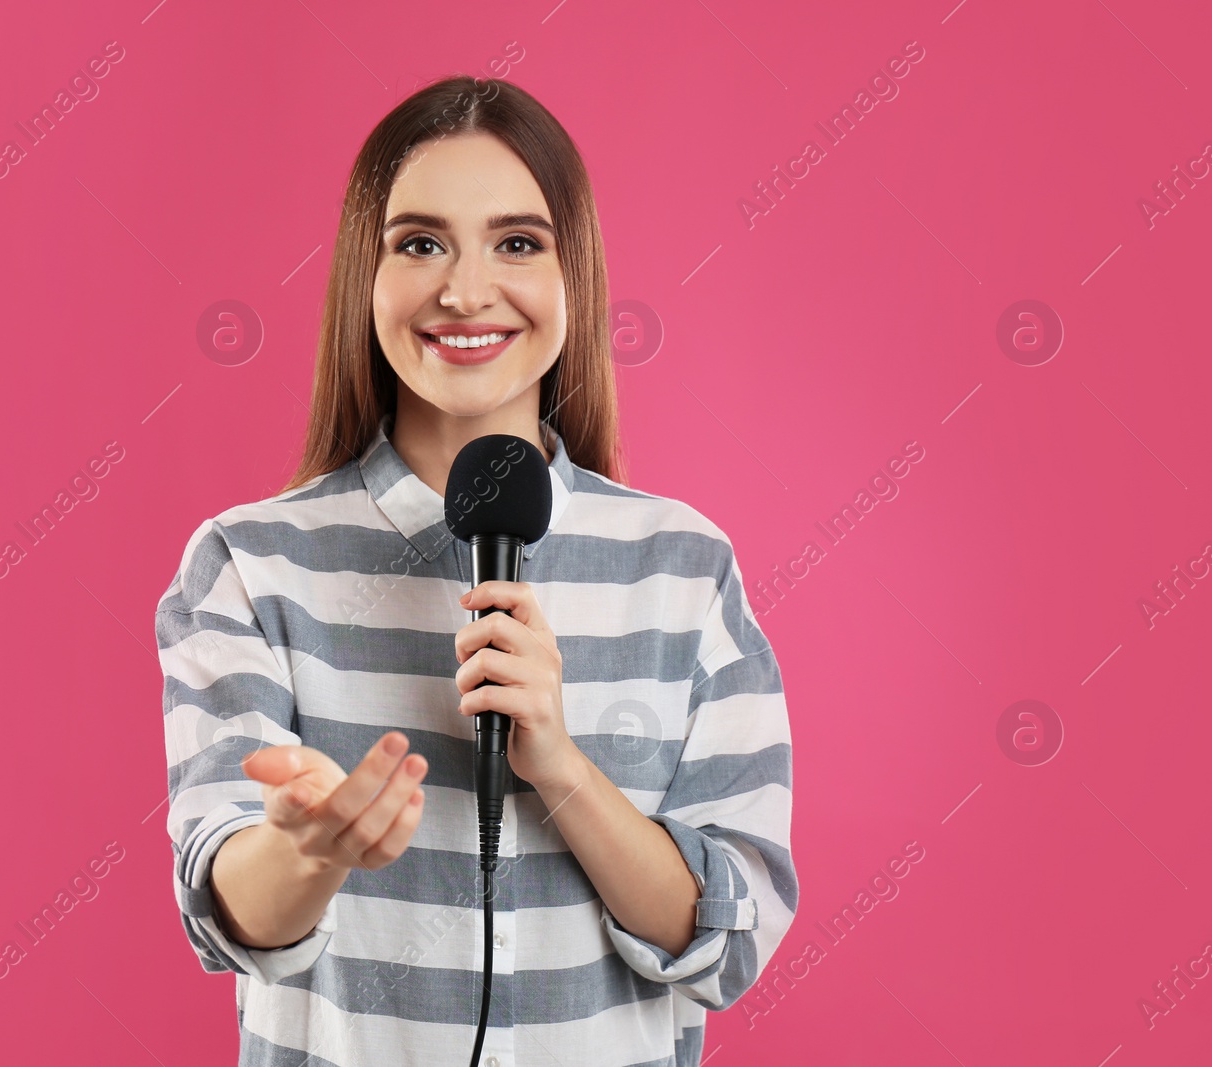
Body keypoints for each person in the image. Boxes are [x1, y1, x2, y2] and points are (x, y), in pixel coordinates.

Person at [155, 74, 796, 1067]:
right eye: (418, 242)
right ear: (363, 278)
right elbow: (224, 898)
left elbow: (730, 933)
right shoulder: (248, 564)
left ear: (571, 272)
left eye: (516, 242)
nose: (463, 289)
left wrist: (562, 768)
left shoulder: (683, 567)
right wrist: (307, 851)